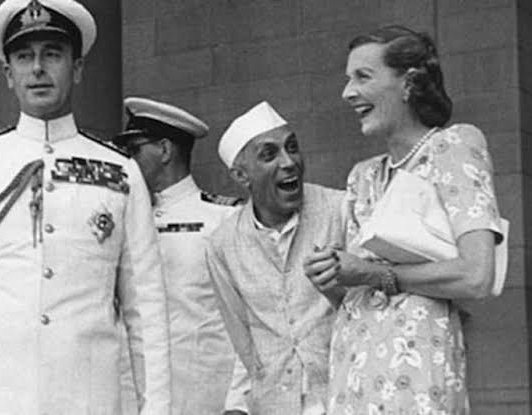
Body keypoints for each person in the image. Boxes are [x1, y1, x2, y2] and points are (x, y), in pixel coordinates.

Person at [0, 1, 172, 414]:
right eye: (23, 56)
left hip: (84, 398)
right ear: (8, 74)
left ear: (77, 68)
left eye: (52, 54)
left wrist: (156, 409)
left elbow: (146, 309)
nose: (37, 68)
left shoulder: (121, 172)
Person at [304, 25, 504, 414]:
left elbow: (477, 275)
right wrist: (333, 278)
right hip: (353, 373)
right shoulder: (363, 177)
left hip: (416, 378)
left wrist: (374, 273)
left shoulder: (454, 147)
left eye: (363, 77)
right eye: (348, 79)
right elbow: (364, 294)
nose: (347, 92)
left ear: (408, 83)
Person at [206, 101, 345, 415]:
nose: (289, 162)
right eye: (269, 155)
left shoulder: (341, 210)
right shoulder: (223, 244)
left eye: (292, 148)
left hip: (345, 396)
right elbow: (242, 336)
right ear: (241, 176)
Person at [113, 97, 249, 415]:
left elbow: (251, 317)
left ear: (164, 150)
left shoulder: (224, 219)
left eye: (134, 151)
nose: (127, 162)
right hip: (132, 397)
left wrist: (239, 403)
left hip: (200, 396)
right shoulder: (123, 219)